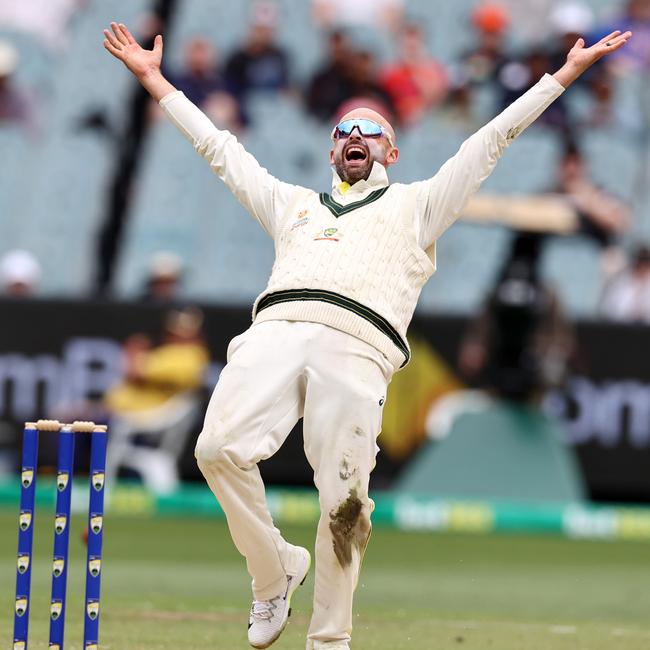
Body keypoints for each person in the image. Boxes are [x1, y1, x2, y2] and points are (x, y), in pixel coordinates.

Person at [102, 20, 631, 650]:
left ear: (391, 152)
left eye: (370, 131)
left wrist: (563, 76)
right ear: (331, 153)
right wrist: (157, 81)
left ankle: (329, 640)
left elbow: (491, 141)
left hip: (358, 346)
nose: (355, 137)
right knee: (216, 448)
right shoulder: (292, 204)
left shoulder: (418, 206)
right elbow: (223, 152)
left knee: (345, 503)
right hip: (276, 328)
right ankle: (273, 573)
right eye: (344, 132)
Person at [379, 23, 450, 126]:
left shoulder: (435, 71)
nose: (411, 50)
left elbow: (436, 100)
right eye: (407, 46)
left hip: (428, 122)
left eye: (414, 46)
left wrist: (416, 71)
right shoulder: (389, 74)